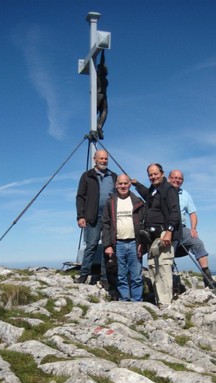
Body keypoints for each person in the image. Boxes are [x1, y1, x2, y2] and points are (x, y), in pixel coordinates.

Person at [132, 164, 182, 307]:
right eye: (150, 175)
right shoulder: (154, 190)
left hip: (163, 234)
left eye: (155, 174)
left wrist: (169, 232)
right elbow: (146, 194)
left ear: (162, 173)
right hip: (151, 236)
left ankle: (166, 304)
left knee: (164, 267)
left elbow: (175, 212)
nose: (153, 177)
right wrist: (136, 184)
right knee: (154, 267)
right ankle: (159, 300)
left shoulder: (169, 189)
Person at [168, 169, 216, 288]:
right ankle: (168, 281)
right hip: (166, 228)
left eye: (180, 178)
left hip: (182, 228)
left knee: (197, 242)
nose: (177, 180)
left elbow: (192, 213)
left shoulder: (185, 194)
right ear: (169, 178)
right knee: (168, 253)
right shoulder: (163, 192)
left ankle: (207, 276)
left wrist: (193, 228)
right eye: (174, 177)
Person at [75, 150, 117, 287]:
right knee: (91, 245)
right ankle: (83, 274)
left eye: (105, 159)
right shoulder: (87, 176)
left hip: (109, 218)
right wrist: (80, 216)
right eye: (101, 158)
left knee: (107, 246)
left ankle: (105, 277)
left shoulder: (113, 176)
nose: (104, 161)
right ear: (95, 159)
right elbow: (80, 196)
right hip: (92, 217)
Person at [102, 174, 145, 301]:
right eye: (120, 183)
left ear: (130, 184)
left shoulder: (138, 201)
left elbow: (143, 223)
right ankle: (124, 299)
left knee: (136, 275)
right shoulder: (110, 202)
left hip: (134, 243)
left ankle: (137, 301)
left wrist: (142, 242)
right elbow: (105, 224)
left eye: (125, 183)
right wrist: (107, 245)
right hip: (118, 244)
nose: (123, 186)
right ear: (116, 185)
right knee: (121, 275)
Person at [97, 49, 108, 136]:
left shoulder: (100, 77)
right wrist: (102, 51)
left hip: (99, 95)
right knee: (104, 110)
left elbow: (102, 63)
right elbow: (102, 61)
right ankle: (99, 125)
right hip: (103, 96)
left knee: (103, 111)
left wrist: (103, 50)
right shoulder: (103, 78)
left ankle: (98, 126)